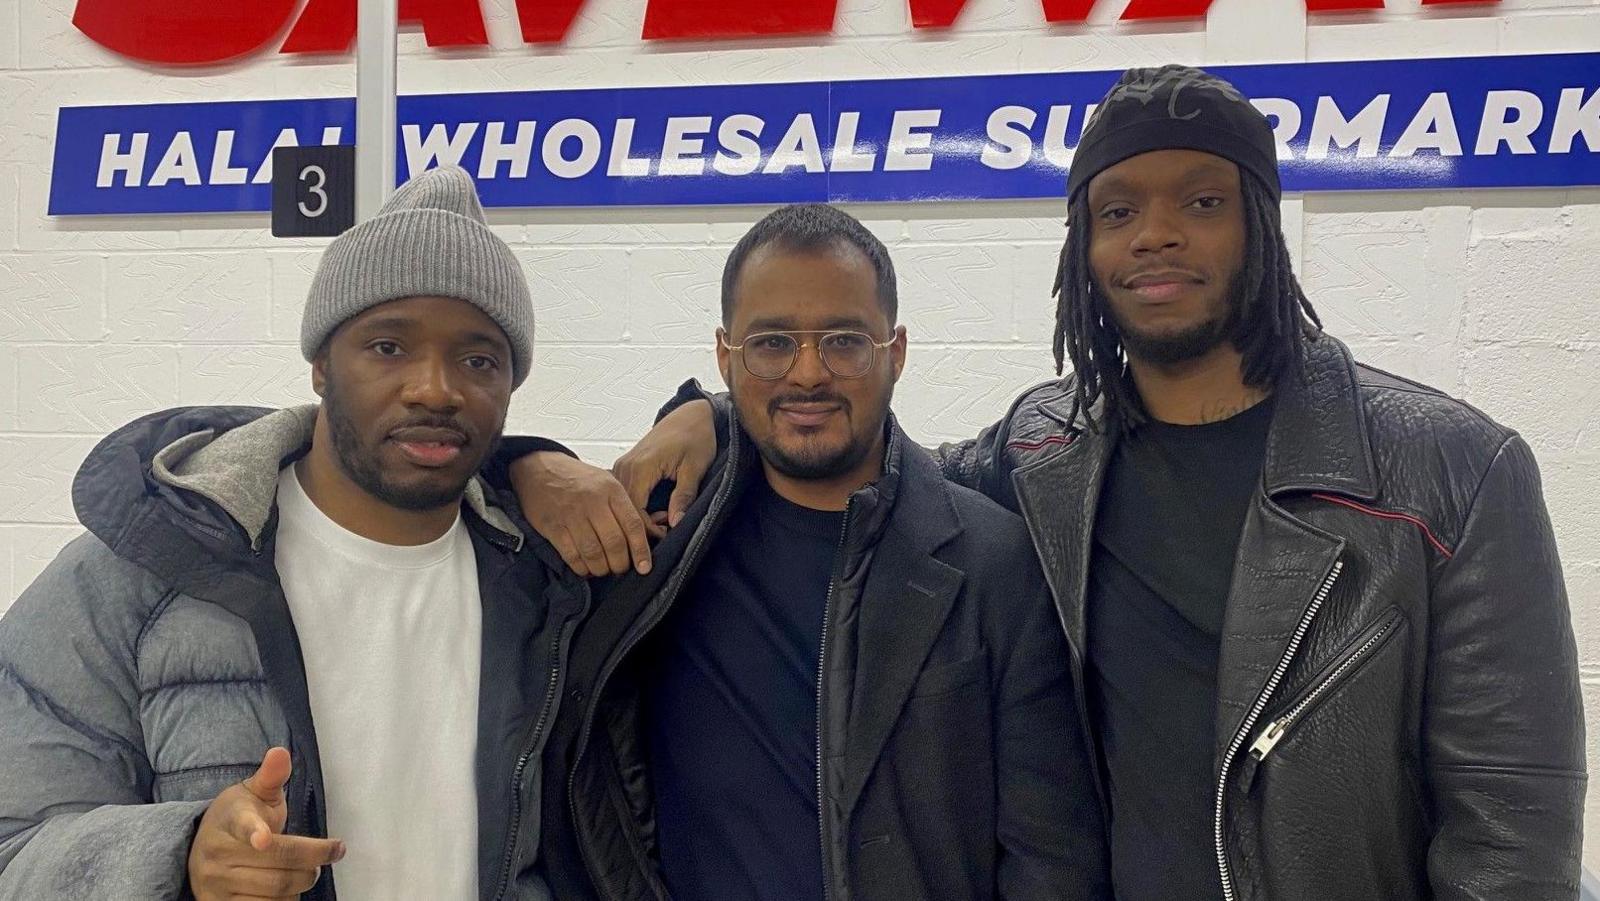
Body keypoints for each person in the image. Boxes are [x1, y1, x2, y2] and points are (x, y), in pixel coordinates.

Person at [511, 67, 1586, 900]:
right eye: (1117, 211)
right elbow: (867, 470)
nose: (1154, 234)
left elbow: (1513, 828)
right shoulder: (1042, 452)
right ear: (1082, 246)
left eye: (1200, 200)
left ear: (1259, 224)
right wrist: (703, 415)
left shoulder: (1447, 470)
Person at [0, 166, 587, 901]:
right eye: (388, 346)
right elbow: (13, 841)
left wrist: (699, 418)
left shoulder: (548, 588)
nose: (435, 388)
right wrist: (177, 857)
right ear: (319, 366)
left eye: (478, 359)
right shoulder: (142, 572)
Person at [526, 204, 1108, 901]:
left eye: (843, 341)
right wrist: (524, 460)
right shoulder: (661, 543)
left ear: (893, 352)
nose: (807, 373)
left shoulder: (997, 564)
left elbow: (1052, 861)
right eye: (772, 343)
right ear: (725, 355)